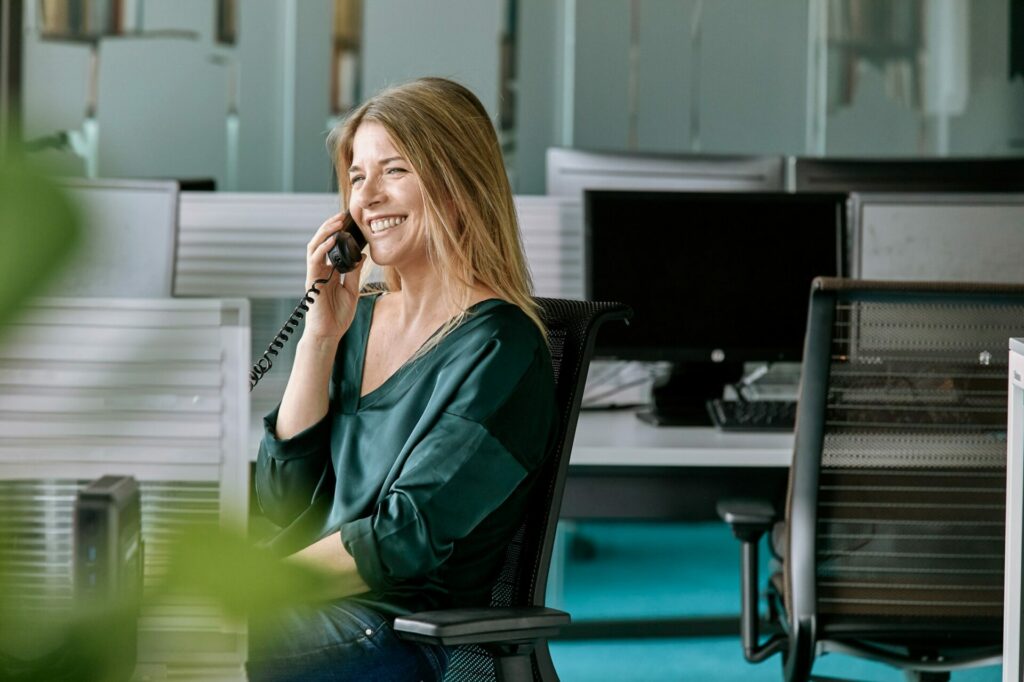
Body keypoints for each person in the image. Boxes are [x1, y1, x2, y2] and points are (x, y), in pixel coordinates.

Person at [246, 77, 557, 681]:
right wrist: (319, 336)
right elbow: (281, 502)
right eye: (358, 177)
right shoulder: (353, 322)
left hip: (392, 633)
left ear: (458, 182)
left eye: (394, 170)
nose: (369, 197)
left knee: (187, 640)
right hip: (312, 608)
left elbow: (403, 538)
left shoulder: (501, 349)